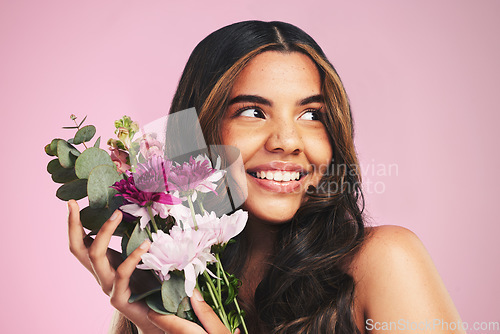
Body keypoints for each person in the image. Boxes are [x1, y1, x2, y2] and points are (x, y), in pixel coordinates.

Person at [68, 20, 464, 333]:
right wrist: (154, 322)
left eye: (312, 115)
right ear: (198, 131)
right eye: (253, 111)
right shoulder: (189, 284)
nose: (288, 141)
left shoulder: (384, 261)